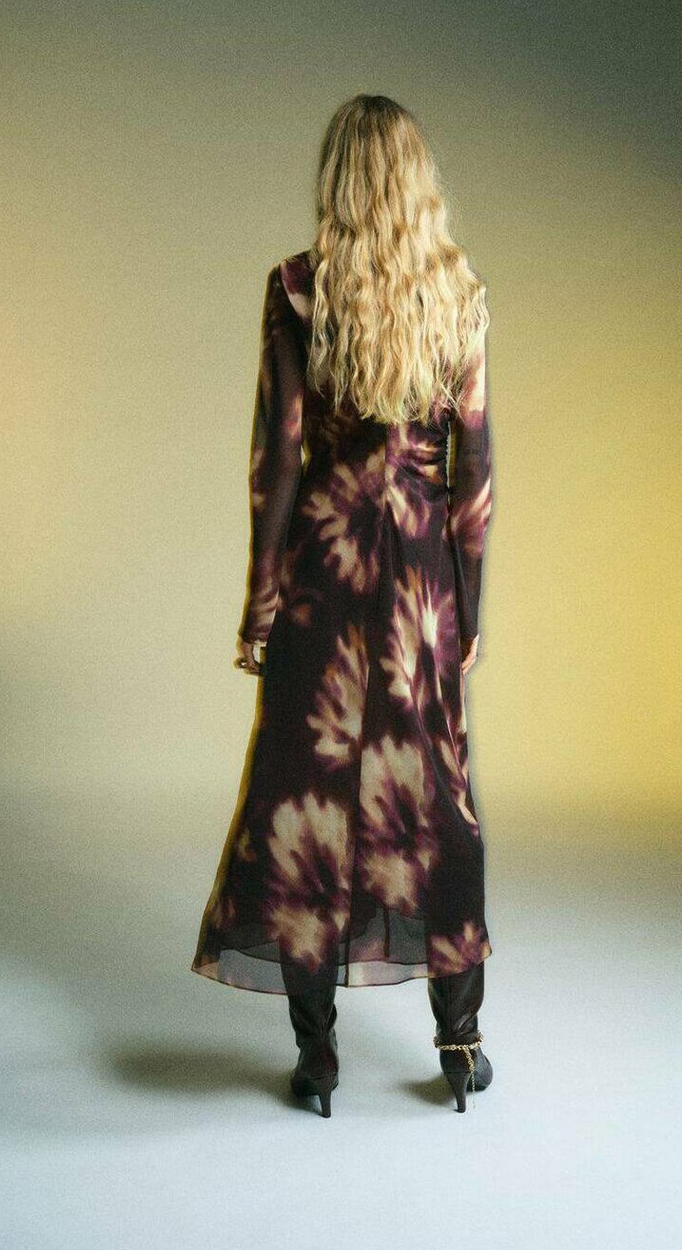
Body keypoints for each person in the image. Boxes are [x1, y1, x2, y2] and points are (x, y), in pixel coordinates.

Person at [190, 93, 495, 1117]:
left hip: (323, 570)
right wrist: (468, 611)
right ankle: (461, 1041)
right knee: (436, 799)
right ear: (416, 182)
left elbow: (277, 460)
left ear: (338, 180)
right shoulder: (460, 294)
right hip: (420, 586)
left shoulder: (296, 288)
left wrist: (259, 601)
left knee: (305, 803)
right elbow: (473, 474)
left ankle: (318, 1061)